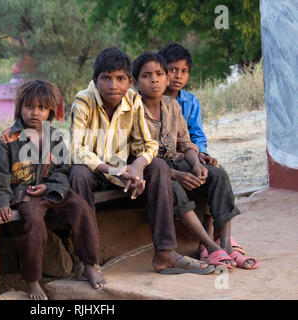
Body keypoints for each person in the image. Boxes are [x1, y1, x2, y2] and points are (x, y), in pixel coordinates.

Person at [69, 47, 214, 275]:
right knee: (77, 174)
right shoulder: (83, 102)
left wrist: (137, 166)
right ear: (95, 81)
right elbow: (77, 150)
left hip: (124, 170)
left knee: (157, 166)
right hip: (95, 170)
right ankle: (89, 262)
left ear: (129, 81)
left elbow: (148, 145)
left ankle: (165, 252)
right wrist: (114, 170)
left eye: (120, 79)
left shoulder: (133, 100)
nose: (113, 85)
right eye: (106, 79)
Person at [132, 51, 259, 269]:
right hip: (153, 170)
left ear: (165, 78)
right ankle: (211, 246)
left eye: (159, 74)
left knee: (217, 175)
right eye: (146, 76)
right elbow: (135, 155)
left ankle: (226, 243)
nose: (154, 80)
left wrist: (196, 164)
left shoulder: (172, 105)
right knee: (174, 188)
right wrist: (177, 175)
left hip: (176, 160)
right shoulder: (132, 109)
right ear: (135, 82)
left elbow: (186, 143)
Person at [0, 79, 104, 300]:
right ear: (20, 107)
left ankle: (90, 263)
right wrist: (3, 202)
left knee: (82, 208)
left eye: (41, 108)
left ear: (50, 110)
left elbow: (63, 169)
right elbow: (0, 175)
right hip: (25, 192)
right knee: (33, 223)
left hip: (54, 189)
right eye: (29, 107)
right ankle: (32, 280)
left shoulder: (55, 137)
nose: (35, 113)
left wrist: (50, 186)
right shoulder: (7, 139)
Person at [158, 43, 220, 239]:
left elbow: (196, 134)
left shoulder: (190, 101)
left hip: (187, 153)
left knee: (215, 173)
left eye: (184, 71)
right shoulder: (150, 100)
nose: (178, 76)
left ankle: (214, 230)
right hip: (163, 159)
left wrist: (201, 153)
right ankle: (203, 238)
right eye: (173, 70)